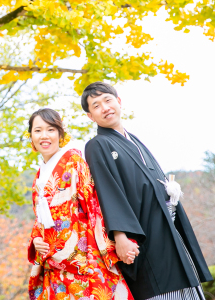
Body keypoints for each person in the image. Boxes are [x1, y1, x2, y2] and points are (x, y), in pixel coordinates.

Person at [82, 82, 213, 300]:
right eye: (96, 105)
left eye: (108, 100)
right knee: (160, 289)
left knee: (186, 288)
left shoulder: (134, 140)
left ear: (119, 102)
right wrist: (120, 235)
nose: (105, 107)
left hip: (166, 229)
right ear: (90, 116)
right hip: (142, 238)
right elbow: (107, 191)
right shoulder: (98, 145)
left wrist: (169, 193)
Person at [26, 107, 133, 300]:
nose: (44, 135)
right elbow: (39, 220)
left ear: (60, 134)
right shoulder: (39, 176)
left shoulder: (73, 161)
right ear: (31, 136)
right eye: (38, 130)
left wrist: (120, 237)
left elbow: (95, 205)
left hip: (81, 260)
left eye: (51, 129)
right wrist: (36, 240)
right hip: (53, 266)